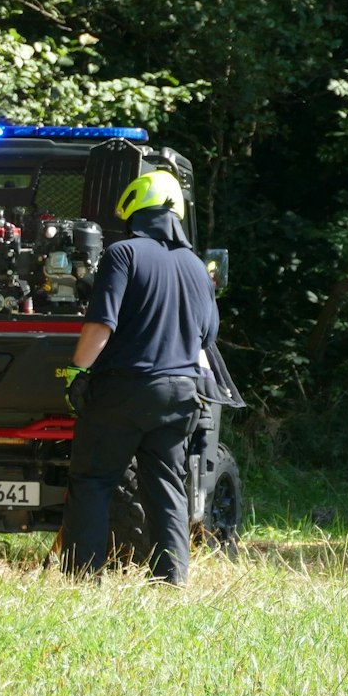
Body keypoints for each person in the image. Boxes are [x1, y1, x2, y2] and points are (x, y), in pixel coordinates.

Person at [60, 169, 221, 586]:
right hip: (182, 394)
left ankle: (84, 578)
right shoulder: (197, 267)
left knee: (94, 479)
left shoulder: (123, 254)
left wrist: (77, 372)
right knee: (167, 484)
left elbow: (100, 326)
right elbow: (207, 336)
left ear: (135, 212)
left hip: (125, 388)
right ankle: (172, 582)